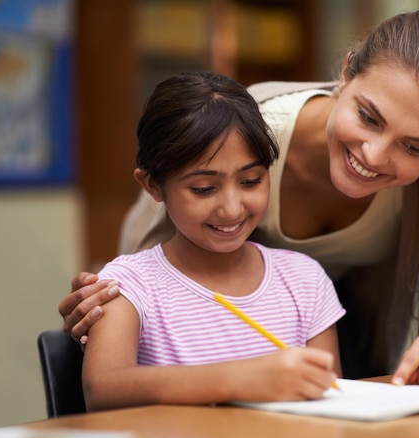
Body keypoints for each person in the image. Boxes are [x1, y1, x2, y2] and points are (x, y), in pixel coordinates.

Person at [62, 10, 419, 386]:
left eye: (414, 147)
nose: (375, 155)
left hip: (337, 346)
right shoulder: (244, 134)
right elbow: (147, 278)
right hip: (209, 359)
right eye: (368, 116)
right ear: (345, 72)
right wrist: (108, 307)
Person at [82, 71, 344, 411]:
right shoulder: (129, 285)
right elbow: (102, 389)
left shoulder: (304, 281)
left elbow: (331, 401)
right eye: (204, 189)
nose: (232, 208)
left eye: (251, 181)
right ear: (153, 186)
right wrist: (240, 379)